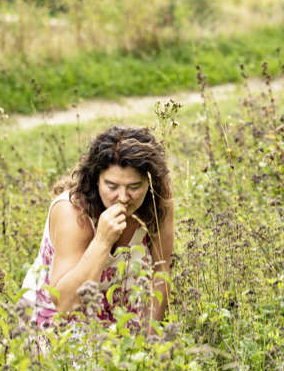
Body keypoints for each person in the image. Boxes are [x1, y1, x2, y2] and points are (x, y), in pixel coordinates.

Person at [20, 126, 174, 335]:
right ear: (96, 180)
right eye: (112, 186)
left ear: (150, 182)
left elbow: (161, 272)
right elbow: (64, 305)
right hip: (56, 329)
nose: (123, 197)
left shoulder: (157, 201)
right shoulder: (72, 212)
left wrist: (150, 339)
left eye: (134, 186)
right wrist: (102, 241)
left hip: (123, 327)